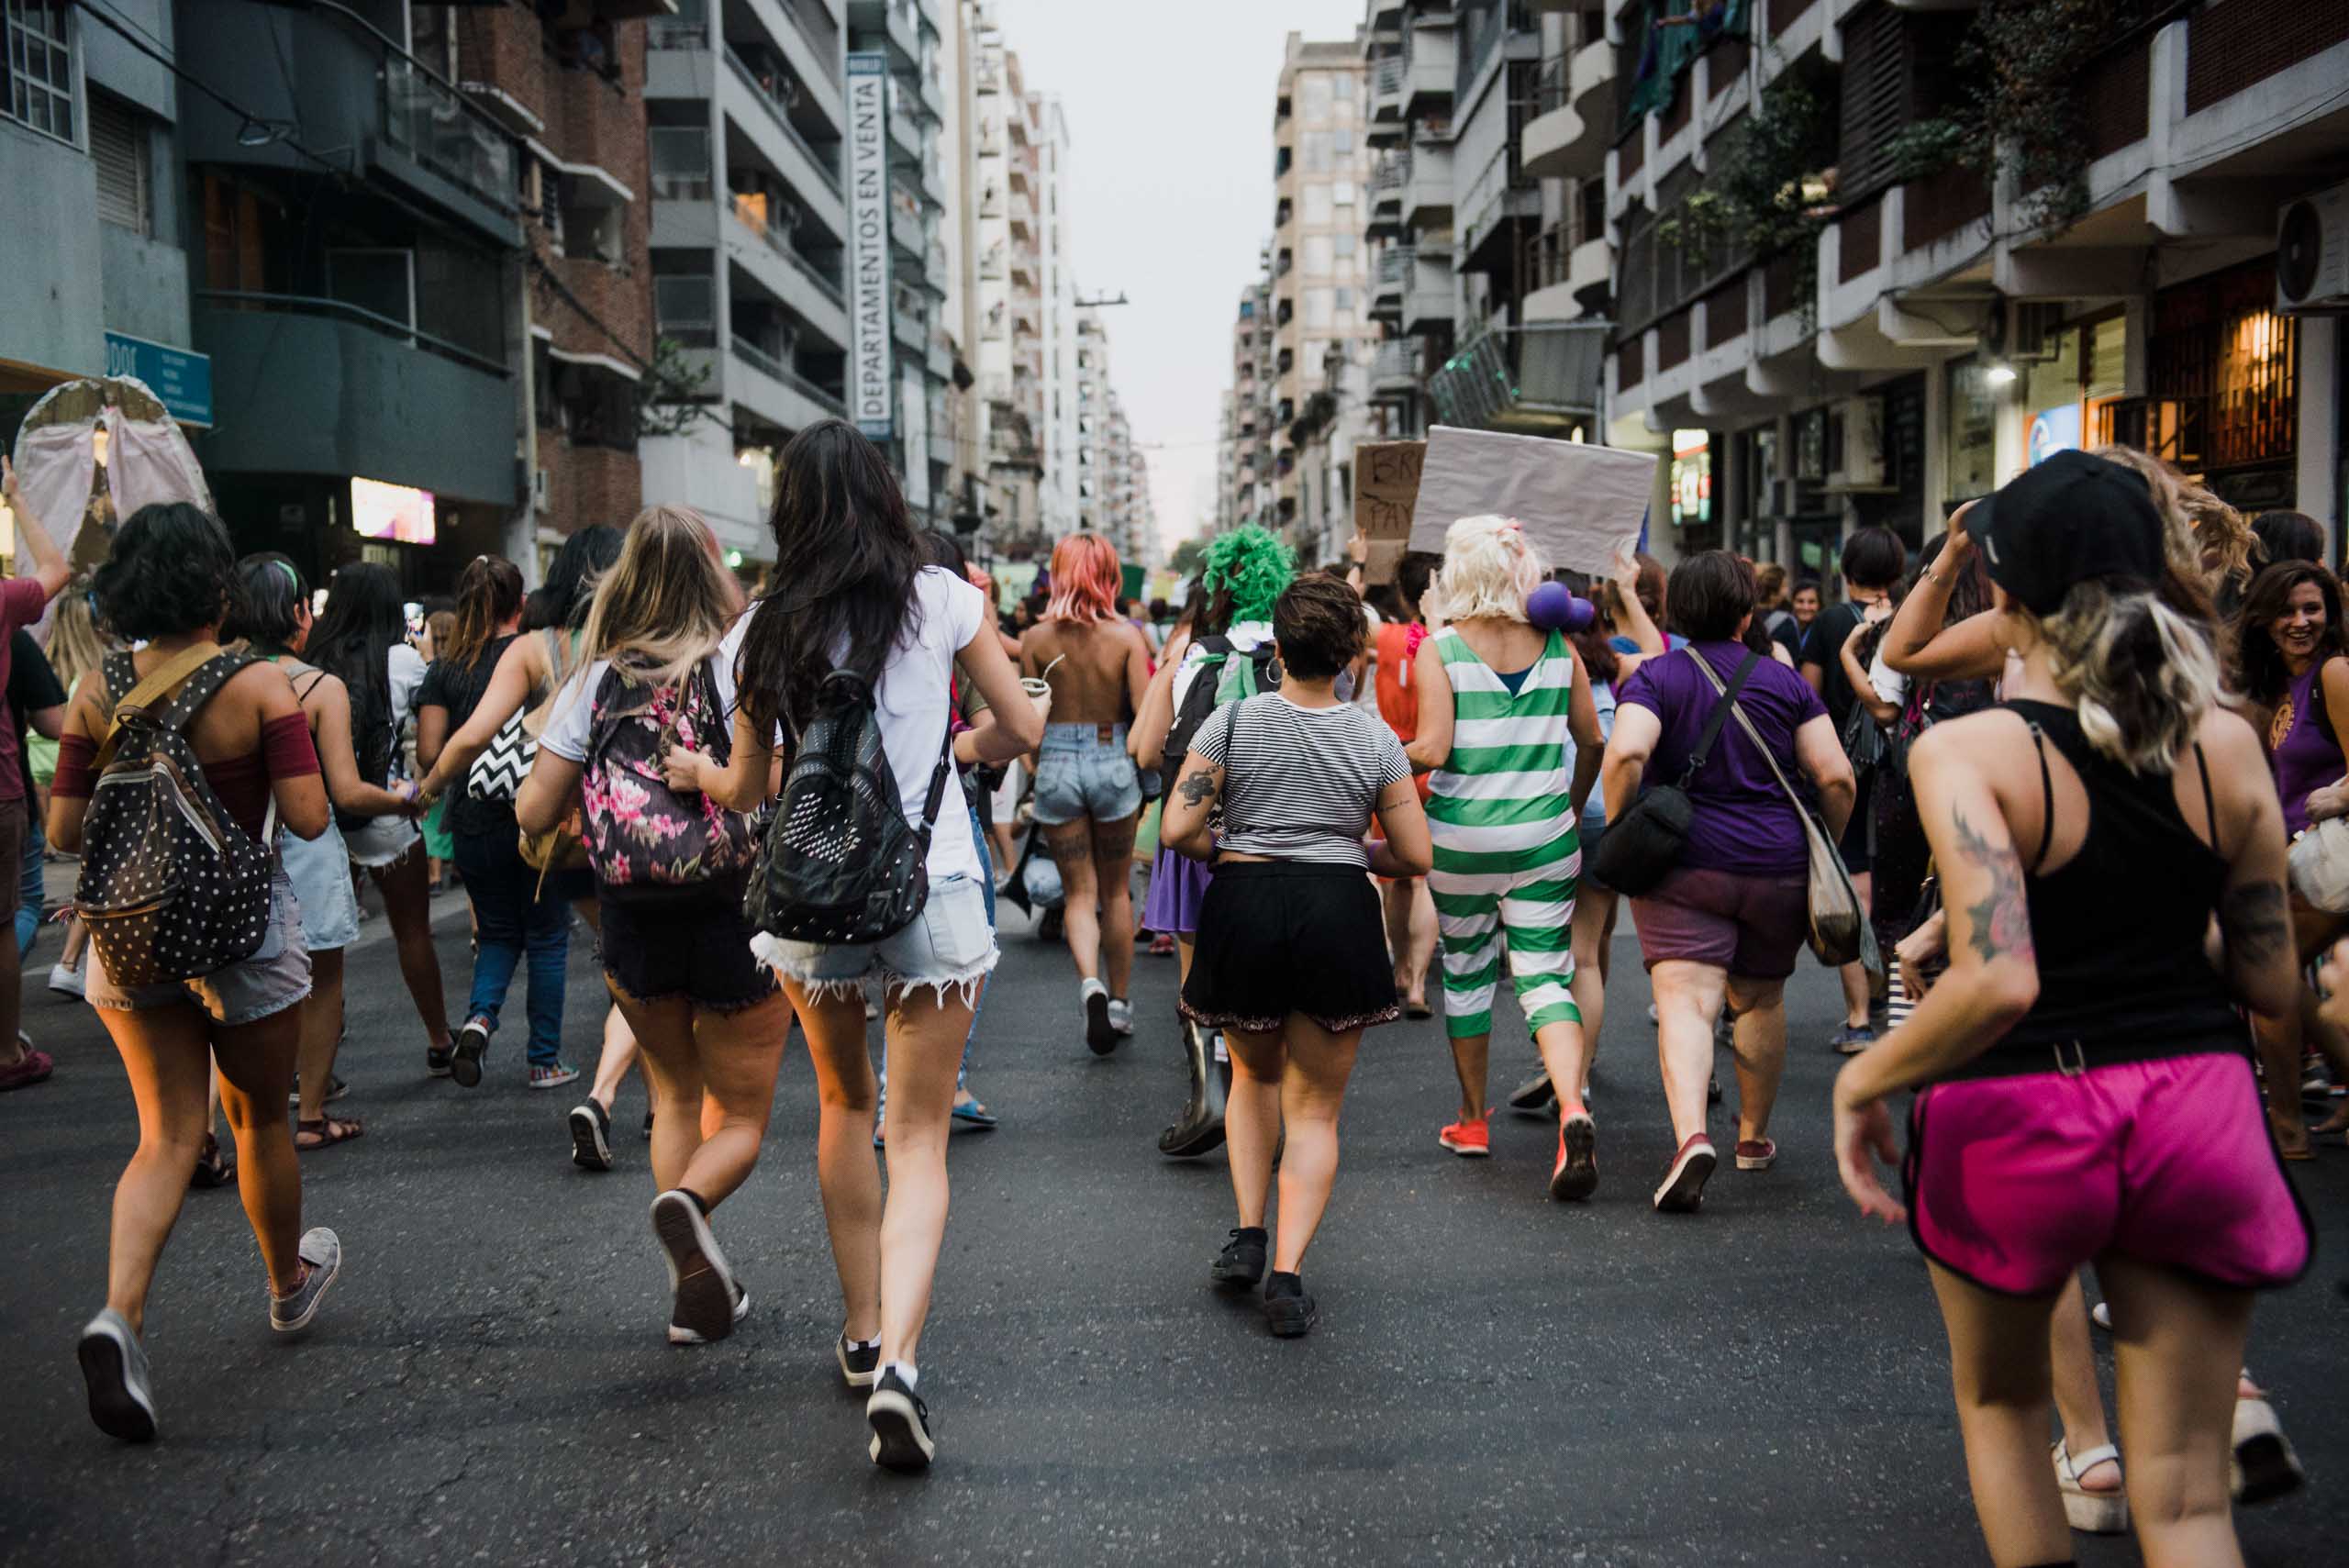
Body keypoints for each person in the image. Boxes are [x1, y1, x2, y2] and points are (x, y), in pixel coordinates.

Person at [1832, 450, 2310, 1568]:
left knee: (2005, 1413)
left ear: (2003, 593)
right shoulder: (2229, 745)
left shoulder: (1969, 749)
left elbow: (1998, 976)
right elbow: (2272, 983)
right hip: (2195, 1101)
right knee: (2191, 1502)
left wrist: (1867, 1073)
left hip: (2021, 1108)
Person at [689, 419, 1039, 1471]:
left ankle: (860, 1327)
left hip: (812, 896)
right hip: (932, 886)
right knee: (918, 1134)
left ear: (788, 509)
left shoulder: (759, 629)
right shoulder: (940, 598)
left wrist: (701, 774)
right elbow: (1017, 727)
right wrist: (954, 750)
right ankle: (902, 1368)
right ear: (884, 496)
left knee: (843, 1103)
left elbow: (748, 788)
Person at [51, 503, 340, 1441]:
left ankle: (120, 1315)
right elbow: (302, 815)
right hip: (239, 933)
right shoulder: (260, 683)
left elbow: (62, 833)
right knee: (258, 1117)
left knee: (167, 1134)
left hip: (128, 939)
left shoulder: (101, 687)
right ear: (217, 583)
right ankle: (287, 1285)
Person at [518, 506, 790, 1345]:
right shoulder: (737, 666)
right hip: (734, 907)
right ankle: (691, 1204)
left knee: (674, 1091)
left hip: (632, 913)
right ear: (713, 577)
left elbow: (533, 807)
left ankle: (691, 1290)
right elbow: (771, 777)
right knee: (740, 1117)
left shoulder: (593, 681)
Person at [1165, 573, 1431, 1336]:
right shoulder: (1376, 738)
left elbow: (1180, 833)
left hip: (1244, 902)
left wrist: (1233, 847)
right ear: (1352, 652)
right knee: (1313, 1107)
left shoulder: (1233, 720)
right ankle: (1286, 1277)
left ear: (1276, 648)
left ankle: (1247, 1230)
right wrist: (1348, 849)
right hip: (1335, 909)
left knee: (1251, 1075)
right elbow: (1413, 853)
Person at [1602, 551, 1854, 1212]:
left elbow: (1627, 750)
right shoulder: (1785, 682)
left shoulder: (1656, 675)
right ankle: (1752, 1136)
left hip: (1684, 862)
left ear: (1676, 612)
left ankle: (1692, 1137)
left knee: (1686, 1000)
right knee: (1762, 1000)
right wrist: (1821, 840)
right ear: (1748, 614)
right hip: (1776, 865)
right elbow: (1835, 776)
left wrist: (1625, 815)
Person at [417, 528, 641, 1153]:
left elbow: (462, 741)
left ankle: (493, 1027)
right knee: (623, 960)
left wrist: (427, 788)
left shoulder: (530, 651)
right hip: (623, 825)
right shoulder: (639, 643)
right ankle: (596, 1077)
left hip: (538, 828)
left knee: (526, 939)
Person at [1406, 517, 1603, 1194]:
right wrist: (1570, 807)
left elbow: (1431, 749)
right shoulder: (1558, 646)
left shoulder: (1443, 648)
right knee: (1546, 976)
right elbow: (1594, 739)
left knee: (1465, 973)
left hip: (1461, 839)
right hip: (1546, 835)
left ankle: (1471, 1119)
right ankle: (1572, 1107)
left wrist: (1371, 761)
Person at [228, 553, 420, 1149]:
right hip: (306, 845)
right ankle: (311, 1114)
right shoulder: (319, 686)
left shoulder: (218, 678)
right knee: (320, 981)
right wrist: (404, 801)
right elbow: (344, 790)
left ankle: (221, 1125)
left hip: (233, 847)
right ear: (293, 614)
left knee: (234, 985)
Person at [1130, 532, 1297, 1156]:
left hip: (1200, 834)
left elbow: (1148, 751)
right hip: (1277, 835)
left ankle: (1208, 1097)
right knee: (1274, 976)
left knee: (1198, 972)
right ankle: (1270, 1112)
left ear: (1218, 586)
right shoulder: (1295, 650)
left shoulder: (1196, 653)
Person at [412, 554, 573, 1089]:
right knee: (547, 936)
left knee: (499, 933)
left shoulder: (445, 670)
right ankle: (544, 1060)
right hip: (535, 810)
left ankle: (479, 1020)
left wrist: (431, 785)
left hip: (473, 815)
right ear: (520, 604)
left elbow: (432, 749)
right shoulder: (537, 654)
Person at [306, 561, 451, 1069]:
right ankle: (439, 1039)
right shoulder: (403, 660)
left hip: (318, 819)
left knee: (323, 951)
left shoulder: (312, 658)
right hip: (384, 810)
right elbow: (435, 725)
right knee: (412, 931)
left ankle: (317, 1063)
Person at [2232, 560, 2349, 1151]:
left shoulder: (2335, 672)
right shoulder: (2275, 683)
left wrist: (2339, 794)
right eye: (2287, 610)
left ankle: (2286, 1126)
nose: (2301, 622)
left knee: (2267, 977)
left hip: (2335, 862)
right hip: (2293, 861)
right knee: (2274, 978)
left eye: (2313, 609)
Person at [1020, 532, 1152, 1053]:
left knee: (1079, 894)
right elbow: (1144, 719)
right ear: (1109, 576)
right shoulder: (1126, 638)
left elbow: (1027, 718)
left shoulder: (1034, 640)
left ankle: (1089, 984)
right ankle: (1119, 1003)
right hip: (1112, 755)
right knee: (1116, 891)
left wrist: (1039, 766)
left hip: (1055, 759)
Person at [1801, 527, 1906, 1052]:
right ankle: (1893, 994)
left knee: (1849, 889)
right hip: (1903, 769)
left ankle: (1860, 1018)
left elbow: (1809, 696)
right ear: (1898, 570)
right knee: (1900, 885)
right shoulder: (1912, 619)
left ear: (1846, 572)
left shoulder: (1828, 623)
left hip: (1842, 770)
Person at [0, 456, 72, 1092]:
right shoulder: (3, 605)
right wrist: (16, 497)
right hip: (1, 793)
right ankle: (5, 1051)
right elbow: (56, 571)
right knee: (11, 912)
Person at [1367, 551, 1438, 1020]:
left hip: (1391, 760)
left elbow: (1345, 613)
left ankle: (1399, 969)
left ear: (1401, 593)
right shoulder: (1444, 640)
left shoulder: (1386, 636)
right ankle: (1418, 984)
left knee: (1395, 880)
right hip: (1436, 759)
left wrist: (1358, 567)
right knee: (1426, 878)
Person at [40, 584, 116, 1003]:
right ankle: (70, 962)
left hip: (59, 781)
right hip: (96, 788)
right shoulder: (96, 682)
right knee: (99, 872)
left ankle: (71, 962)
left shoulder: (55, 669)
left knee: (94, 871)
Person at [1771, 579, 1822, 665]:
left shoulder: (1823, 631)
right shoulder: (1781, 627)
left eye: (1811, 602)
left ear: (1820, 604)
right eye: (1800, 601)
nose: (1806, 607)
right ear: (1792, 602)